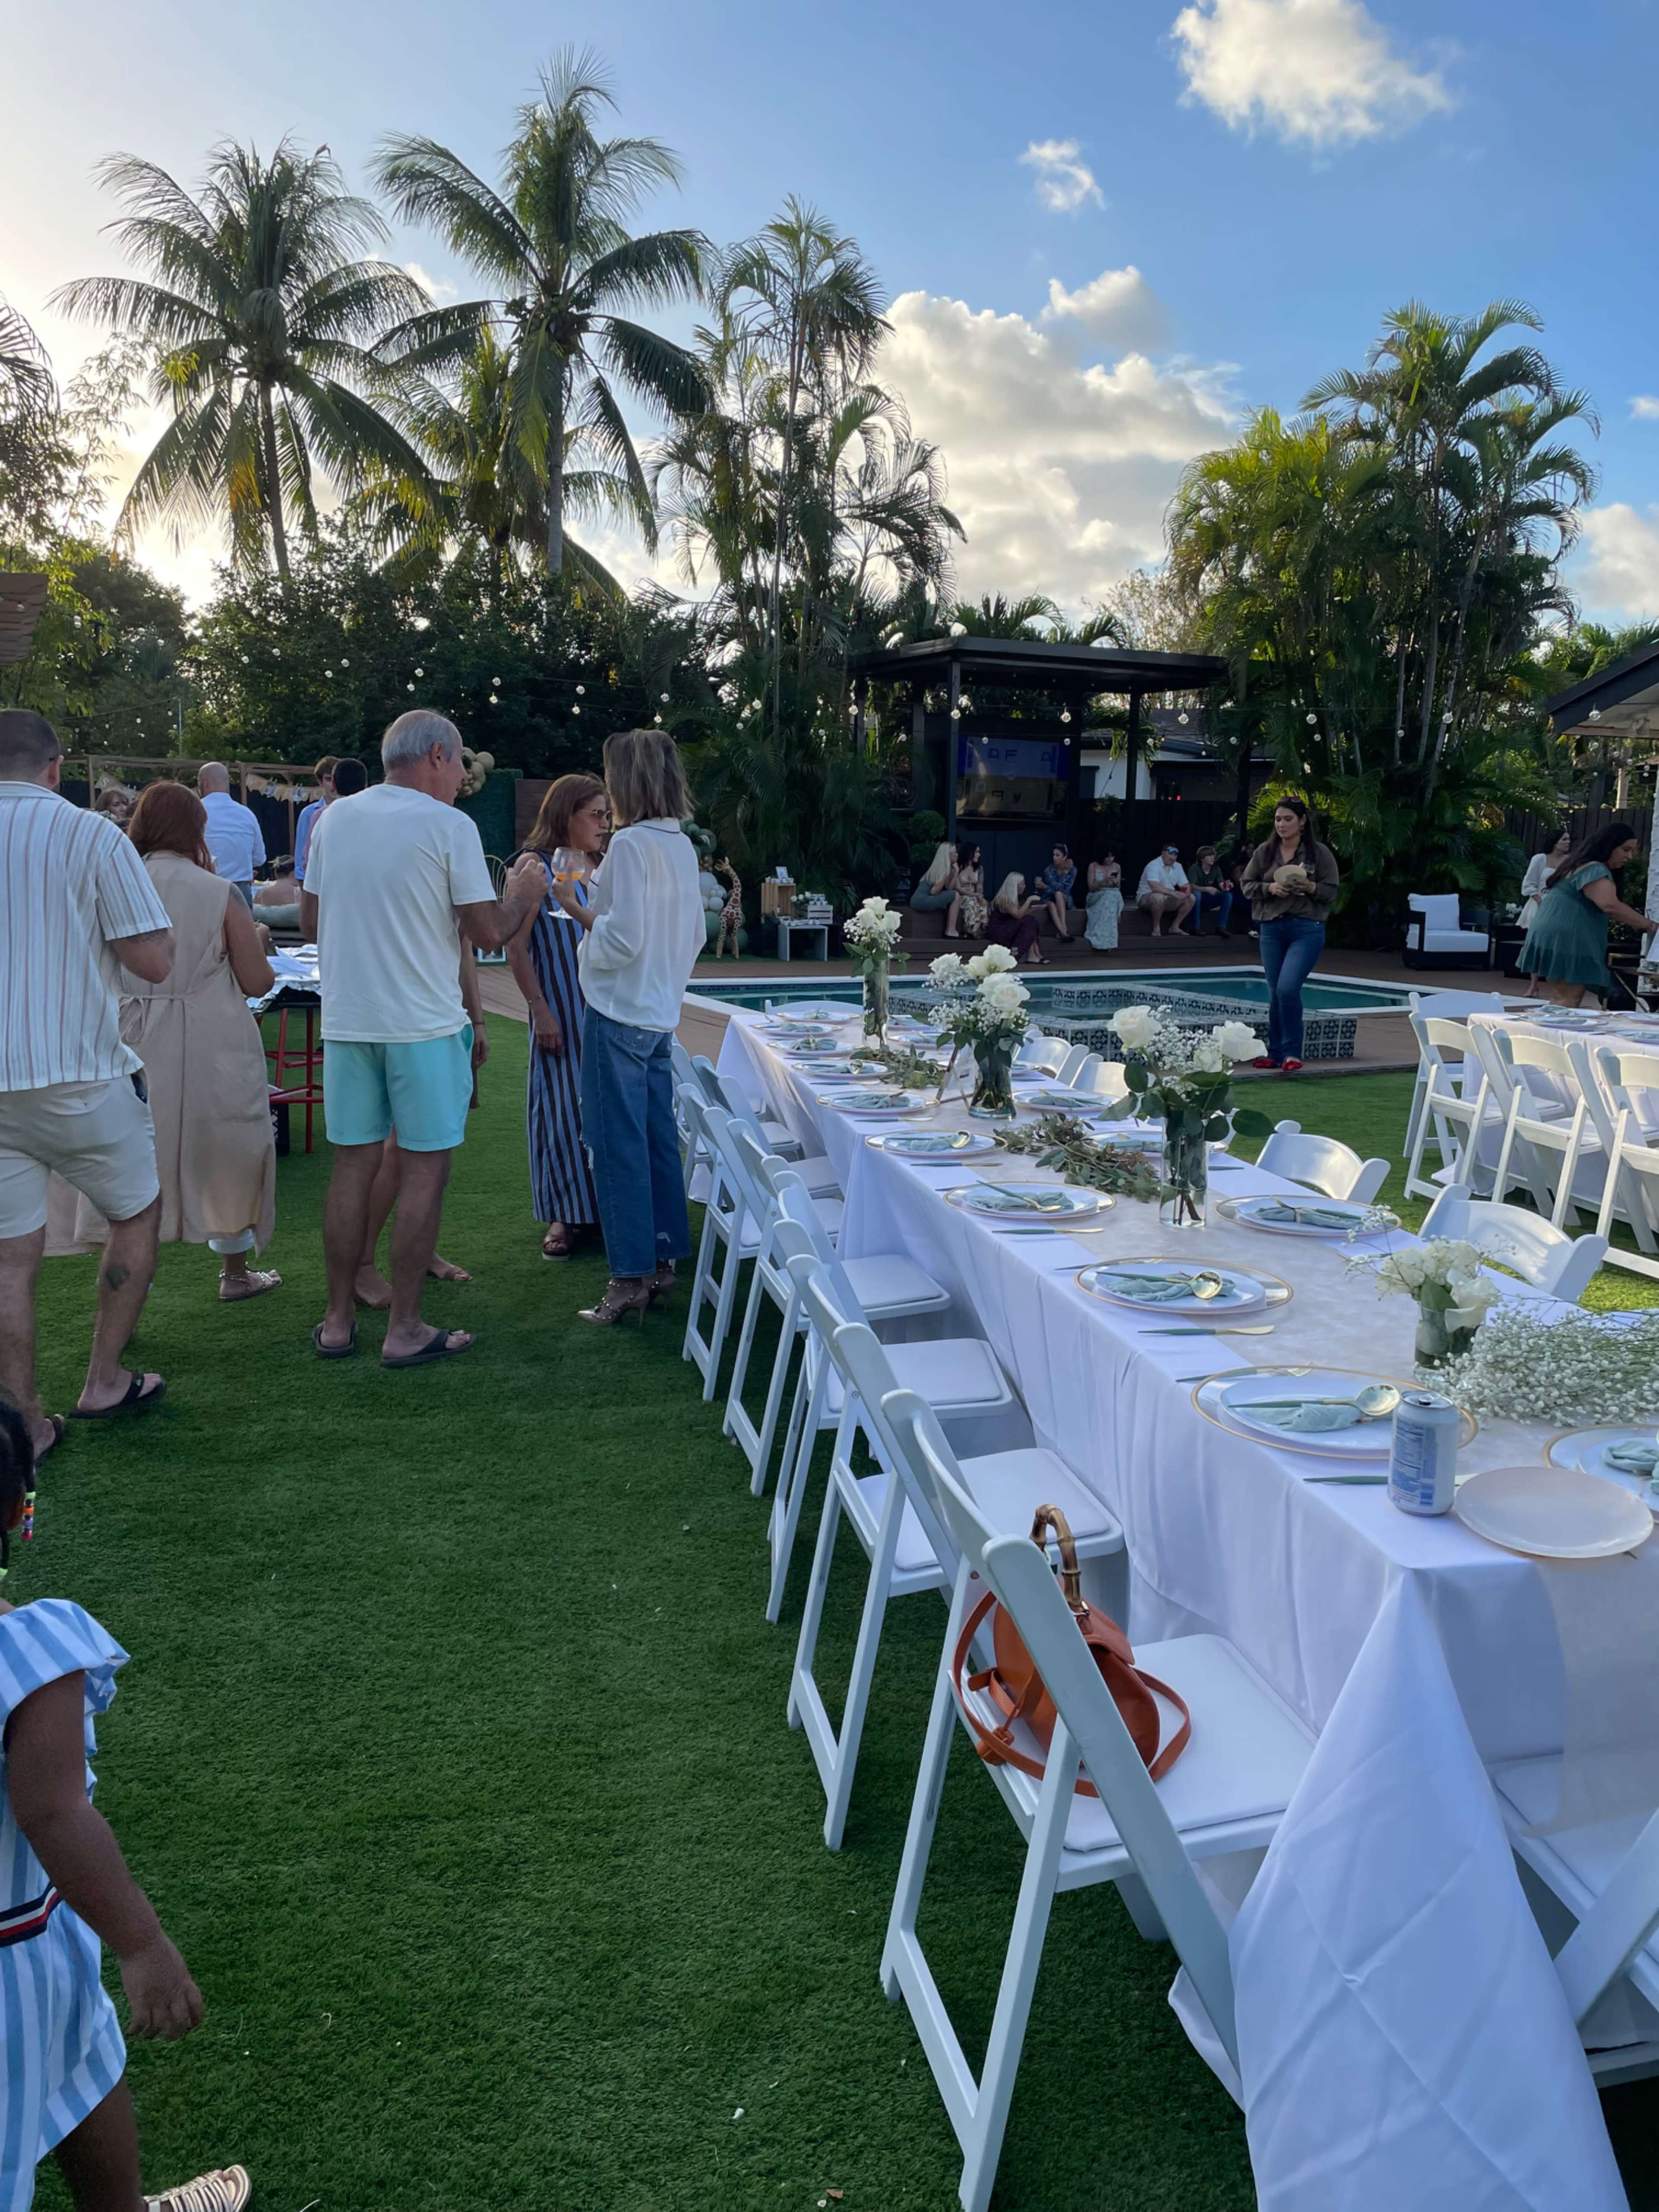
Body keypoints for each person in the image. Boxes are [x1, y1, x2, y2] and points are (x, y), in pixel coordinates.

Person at [0, 1394, 250, 2212]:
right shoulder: (32, 1655)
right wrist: (142, 1944)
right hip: (20, 1956)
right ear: (16, 1512)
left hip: (32, 1949)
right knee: (80, 2068)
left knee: (84, 2067)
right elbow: (54, 1812)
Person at [300, 711, 543, 1365]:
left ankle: (336, 1321)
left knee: (353, 1166)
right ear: (436, 754)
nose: (465, 777)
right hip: (425, 1026)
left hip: (350, 1022)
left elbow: (311, 920)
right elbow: (490, 934)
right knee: (424, 1171)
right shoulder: (449, 826)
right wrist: (523, 893)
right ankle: (405, 1327)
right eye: (461, 763)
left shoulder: (334, 820)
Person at [0, 710, 174, 1454]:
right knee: (136, 1213)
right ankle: (104, 1377)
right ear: (54, 766)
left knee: (8, 1256)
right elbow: (154, 960)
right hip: (78, 1068)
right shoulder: (92, 834)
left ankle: (23, 1421)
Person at [547, 729, 703, 1326]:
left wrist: (578, 911)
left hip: (619, 1013)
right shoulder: (680, 845)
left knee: (617, 1148)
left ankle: (629, 1276)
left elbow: (620, 938)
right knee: (658, 1140)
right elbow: (689, 936)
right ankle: (661, 1261)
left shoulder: (633, 846)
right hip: (659, 1014)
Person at [505, 772, 609, 1260]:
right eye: (596, 814)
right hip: (561, 1006)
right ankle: (563, 1214)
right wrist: (540, 1009)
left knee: (602, 1110)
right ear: (567, 815)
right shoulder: (536, 866)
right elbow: (516, 947)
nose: (605, 823)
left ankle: (604, 1206)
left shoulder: (603, 865)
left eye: (607, 814)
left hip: (605, 1008)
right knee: (560, 1109)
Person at [1241, 798, 1341, 1071]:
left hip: (1307, 928)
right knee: (1275, 993)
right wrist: (1269, 889)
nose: (1282, 824)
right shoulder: (1265, 851)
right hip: (1272, 928)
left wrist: (1310, 887)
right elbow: (1247, 885)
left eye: (1288, 819)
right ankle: (1275, 1053)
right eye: (1278, 819)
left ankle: (1292, 1053)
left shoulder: (1319, 853)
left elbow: (1332, 892)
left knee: (1287, 988)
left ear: (1302, 821)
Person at [1515, 821, 1656, 1008]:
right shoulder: (1595, 869)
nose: (1629, 856)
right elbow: (1610, 905)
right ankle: (1552, 1036)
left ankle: (1542, 1034)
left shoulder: (1578, 865)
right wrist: (1651, 926)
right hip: (1568, 937)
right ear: (1609, 846)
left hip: (1551, 932)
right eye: (1625, 850)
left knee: (1560, 997)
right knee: (1569, 998)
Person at [194, 764, 264, 908]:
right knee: (243, 931)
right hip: (240, 891)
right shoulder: (247, 814)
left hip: (205, 888)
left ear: (204, 783)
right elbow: (259, 858)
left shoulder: (193, 812)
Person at [1518, 827, 1572, 996]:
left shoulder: (1570, 861)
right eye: (1564, 839)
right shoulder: (1540, 859)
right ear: (1555, 842)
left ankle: (1556, 985)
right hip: (1539, 905)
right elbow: (1528, 883)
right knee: (1536, 945)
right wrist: (1540, 901)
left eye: (1569, 839)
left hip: (1560, 908)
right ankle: (1534, 985)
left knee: (1556, 946)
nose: (1568, 842)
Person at [292, 755, 339, 885]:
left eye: (336, 779)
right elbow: (301, 852)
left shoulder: (353, 809)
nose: (333, 785)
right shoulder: (309, 813)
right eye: (329, 779)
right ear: (320, 782)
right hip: (317, 880)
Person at [985, 871, 1045, 965]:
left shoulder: (1011, 899)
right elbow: (1018, 916)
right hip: (999, 932)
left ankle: (1035, 954)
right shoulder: (1004, 899)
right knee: (1029, 921)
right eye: (1022, 884)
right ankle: (1028, 955)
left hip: (1007, 928)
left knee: (1031, 920)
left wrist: (1033, 909)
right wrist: (1029, 901)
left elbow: (1020, 914)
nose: (1025, 886)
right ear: (1015, 886)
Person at [1136, 845, 1195, 938]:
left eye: (1176, 854)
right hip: (1147, 898)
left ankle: (1175, 927)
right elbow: (1155, 887)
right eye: (1170, 853)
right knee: (1158, 897)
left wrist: (1185, 893)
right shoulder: (1153, 865)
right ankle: (1156, 928)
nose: (1173, 857)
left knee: (1191, 898)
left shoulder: (1178, 866)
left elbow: (1185, 884)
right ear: (1163, 853)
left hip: (1167, 898)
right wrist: (1173, 893)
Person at [909, 841, 961, 934]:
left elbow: (949, 889)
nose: (957, 855)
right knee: (956, 895)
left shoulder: (944, 869)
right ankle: (951, 930)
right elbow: (934, 891)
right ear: (949, 855)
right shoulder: (943, 871)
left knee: (954, 895)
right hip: (922, 900)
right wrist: (946, 875)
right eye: (955, 853)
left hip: (917, 900)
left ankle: (951, 930)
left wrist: (956, 872)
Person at [1189, 845, 1234, 936]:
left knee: (1227, 895)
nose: (1212, 858)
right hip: (1195, 900)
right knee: (1197, 894)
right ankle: (1195, 928)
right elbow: (1191, 887)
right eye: (1209, 856)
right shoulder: (1195, 868)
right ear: (1202, 859)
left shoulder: (1216, 869)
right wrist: (1206, 889)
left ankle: (1221, 927)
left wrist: (1228, 886)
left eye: (1213, 855)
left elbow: (1221, 885)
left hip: (1208, 899)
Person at [1035, 843, 1076, 943]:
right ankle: (1063, 931)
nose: (1054, 858)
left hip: (1065, 899)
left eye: (1058, 856)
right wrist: (1048, 888)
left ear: (1065, 857)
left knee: (1059, 893)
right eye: (1054, 855)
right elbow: (1054, 889)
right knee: (1052, 903)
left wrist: (1066, 872)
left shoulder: (1073, 870)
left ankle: (1063, 927)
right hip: (1049, 898)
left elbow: (1065, 890)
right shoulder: (1049, 870)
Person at [1084, 852, 1123, 950]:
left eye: (1112, 857)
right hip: (1097, 894)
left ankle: (1110, 940)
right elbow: (1091, 887)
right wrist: (1103, 882)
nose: (1110, 859)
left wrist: (1114, 882)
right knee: (1109, 896)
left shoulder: (1117, 867)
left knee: (1113, 895)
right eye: (1108, 857)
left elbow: (1119, 887)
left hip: (1112, 893)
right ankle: (1099, 938)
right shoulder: (1093, 866)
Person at [955, 844, 988, 938]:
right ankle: (968, 929)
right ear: (970, 853)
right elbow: (957, 888)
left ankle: (974, 931)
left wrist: (980, 896)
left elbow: (980, 886)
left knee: (984, 903)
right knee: (971, 901)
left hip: (974, 895)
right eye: (977, 852)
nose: (979, 855)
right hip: (961, 896)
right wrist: (974, 895)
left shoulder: (979, 869)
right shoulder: (959, 867)